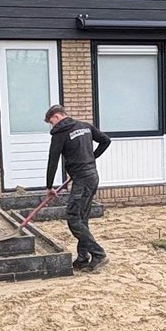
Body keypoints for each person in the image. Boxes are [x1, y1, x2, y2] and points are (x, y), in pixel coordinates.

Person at [43, 104, 110, 270]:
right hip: (92, 176)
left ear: (57, 117)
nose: (53, 126)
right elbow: (105, 141)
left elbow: (53, 161)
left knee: (73, 218)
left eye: (51, 122)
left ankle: (99, 254)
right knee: (82, 218)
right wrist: (90, 159)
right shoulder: (85, 126)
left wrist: (49, 186)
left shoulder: (60, 133)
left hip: (82, 180)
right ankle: (82, 258)